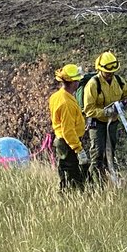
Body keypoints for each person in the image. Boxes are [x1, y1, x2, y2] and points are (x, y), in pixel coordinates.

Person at [82, 50, 127, 184]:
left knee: (110, 154)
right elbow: (88, 110)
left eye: (112, 72)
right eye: (107, 72)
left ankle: (108, 181)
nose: (110, 74)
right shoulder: (93, 84)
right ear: (100, 69)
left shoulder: (119, 81)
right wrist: (105, 112)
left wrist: (123, 104)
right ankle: (94, 185)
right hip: (97, 124)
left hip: (113, 123)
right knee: (97, 154)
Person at [49, 63, 87, 193]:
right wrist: (78, 148)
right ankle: (70, 196)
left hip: (63, 140)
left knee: (65, 170)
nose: (79, 82)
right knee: (72, 174)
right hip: (68, 142)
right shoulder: (66, 103)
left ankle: (67, 194)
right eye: (77, 80)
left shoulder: (57, 96)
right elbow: (68, 130)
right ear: (72, 82)